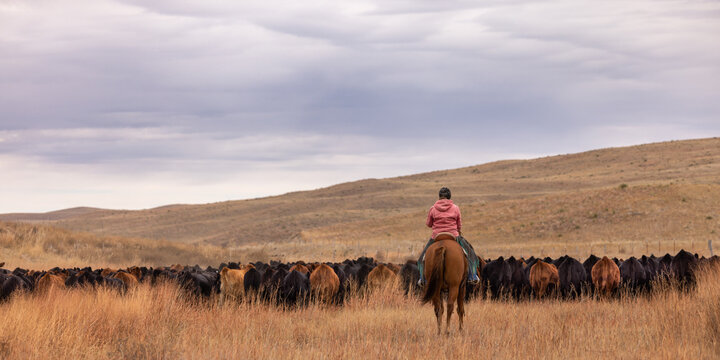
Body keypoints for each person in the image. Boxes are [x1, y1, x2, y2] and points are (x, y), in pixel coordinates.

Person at [417, 187, 480, 287]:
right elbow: (459, 225)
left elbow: (429, 224)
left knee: (421, 259)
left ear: (439, 197)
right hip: (453, 236)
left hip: (436, 236)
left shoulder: (433, 208)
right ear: (449, 196)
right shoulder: (455, 208)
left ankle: (423, 279)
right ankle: (472, 276)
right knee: (471, 255)